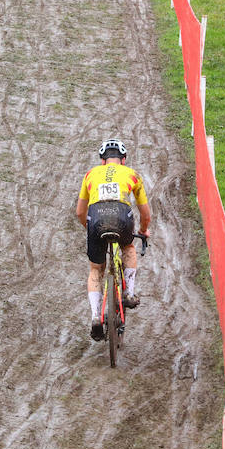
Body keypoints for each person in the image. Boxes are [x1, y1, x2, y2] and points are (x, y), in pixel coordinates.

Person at [74, 138, 151, 341]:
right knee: (128, 248)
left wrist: (89, 228)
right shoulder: (132, 175)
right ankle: (130, 293)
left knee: (95, 269)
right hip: (121, 215)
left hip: (96, 217)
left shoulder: (90, 174)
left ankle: (95, 318)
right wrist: (143, 231)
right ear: (123, 160)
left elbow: (80, 211)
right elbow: (145, 213)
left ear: (102, 161)